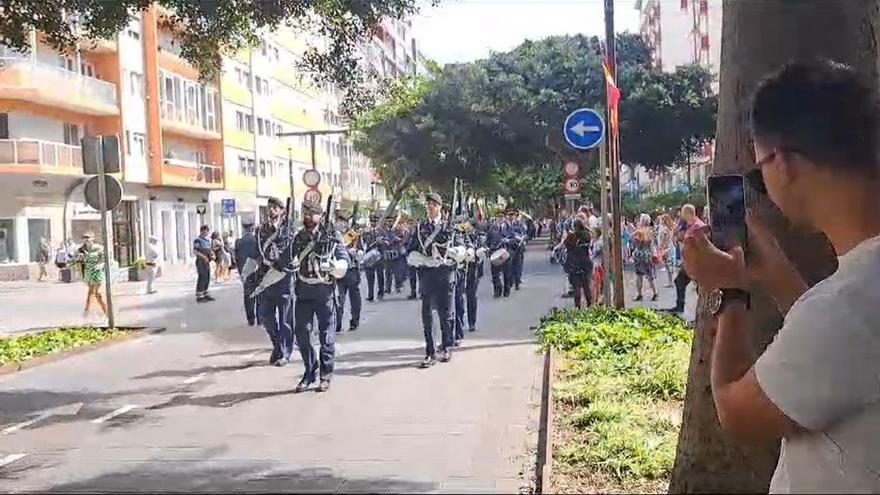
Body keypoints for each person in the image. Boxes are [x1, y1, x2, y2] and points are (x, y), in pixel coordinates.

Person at [682, 59, 880, 493]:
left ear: (785, 163)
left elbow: (737, 411)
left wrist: (729, 292)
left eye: (760, 170)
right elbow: (840, 351)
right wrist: (778, 275)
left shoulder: (844, 309)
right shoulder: (853, 300)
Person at [292, 200, 349, 393]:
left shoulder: (332, 236)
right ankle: (310, 370)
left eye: (312, 213)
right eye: (305, 213)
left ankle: (326, 374)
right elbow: (287, 259)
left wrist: (334, 266)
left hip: (324, 292)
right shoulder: (298, 237)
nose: (308, 216)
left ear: (321, 215)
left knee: (327, 336)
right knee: (302, 334)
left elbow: (344, 259)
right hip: (303, 292)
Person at [408, 192, 456, 367]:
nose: (430, 208)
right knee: (427, 316)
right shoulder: (420, 228)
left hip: (444, 274)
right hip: (427, 275)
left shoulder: (449, 227)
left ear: (440, 207)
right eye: (428, 205)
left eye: (434, 205)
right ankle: (430, 352)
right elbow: (411, 248)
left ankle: (446, 347)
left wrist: (454, 254)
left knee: (446, 315)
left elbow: (460, 246)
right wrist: (418, 258)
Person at [254, 197, 295, 365]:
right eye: (270, 208)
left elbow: (294, 253)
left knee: (285, 320)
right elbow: (255, 253)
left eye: (275, 208)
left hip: (284, 278)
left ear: (282, 211)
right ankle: (277, 346)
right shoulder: (260, 231)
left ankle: (285, 353)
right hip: (266, 279)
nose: (271, 211)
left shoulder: (289, 231)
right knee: (265, 316)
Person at [664, 204, 702, 314]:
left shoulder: (697, 226)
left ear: (687, 213)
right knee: (680, 281)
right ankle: (680, 306)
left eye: (682, 213)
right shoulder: (691, 225)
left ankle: (700, 309)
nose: (681, 215)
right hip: (689, 261)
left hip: (695, 261)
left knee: (700, 287)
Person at [335, 211, 363, 333]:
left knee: (354, 299)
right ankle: (337, 324)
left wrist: (355, 252)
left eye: (343, 221)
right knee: (338, 299)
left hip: (352, 271)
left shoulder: (353, 235)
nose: (341, 223)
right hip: (339, 271)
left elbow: (361, 250)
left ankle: (355, 321)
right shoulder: (334, 236)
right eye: (339, 220)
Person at [75, 232, 108, 318]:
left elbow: (105, 260)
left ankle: (91, 311)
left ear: (93, 238)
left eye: (88, 237)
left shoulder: (99, 248)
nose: (86, 239)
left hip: (97, 271)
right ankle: (100, 311)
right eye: (84, 237)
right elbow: (77, 261)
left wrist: (100, 266)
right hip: (88, 272)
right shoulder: (81, 249)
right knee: (91, 292)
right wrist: (79, 259)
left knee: (96, 292)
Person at [562, 218, 593, 308]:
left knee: (577, 287)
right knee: (586, 285)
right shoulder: (587, 235)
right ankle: (589, 304)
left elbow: (566, 244)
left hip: (574, 264)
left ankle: (578, 307)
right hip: (585, 263)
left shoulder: (572, 236)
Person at [234, 221, 259, 326]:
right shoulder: (256, 241)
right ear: (252, 229)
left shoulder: (239, 242)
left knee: (248, 295)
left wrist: (240, 271)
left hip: (244, 272)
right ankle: (260, 318)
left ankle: (250, 319)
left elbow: (236, 258)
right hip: (257, 271)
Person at [631, 213, 658, 302]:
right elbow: (652, 244)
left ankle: (639, 294)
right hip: (648, 254)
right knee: (650, 275)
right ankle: (655, 293)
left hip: (639, 254)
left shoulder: (638, 232)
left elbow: (633, 240)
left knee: (639, 275)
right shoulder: (651, 231)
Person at [486, 213, 512, 298]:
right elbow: (487, 240)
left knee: (507, 274)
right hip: (495, 253)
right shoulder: (492, 228)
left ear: (504, 218)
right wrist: (488, 248)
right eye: (499, 217)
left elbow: (514, 238)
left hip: (505, 253)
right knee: (495, 275)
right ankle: (497, 290)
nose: (500, 218)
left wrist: (508, 241)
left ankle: (507, 291)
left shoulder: (509, 227)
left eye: (502, 217)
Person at [362, 214, 386, 302]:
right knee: (370, 277)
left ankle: (381, 293)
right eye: (372, 221)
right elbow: (363, 243)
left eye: (375, 221)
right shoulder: (366, 231)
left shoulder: (382, 231)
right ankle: (370, 295)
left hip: (379, 256)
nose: (373, 223)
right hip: (369, 257)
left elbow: (386, 242)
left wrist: (381, 242)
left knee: (380, 276)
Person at [506, 208, 527, 290]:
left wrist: (523, 238)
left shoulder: (519, 224)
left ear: (515, 216)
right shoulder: (506, 225)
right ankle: (511, 280)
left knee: (518, 265)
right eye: (509, 215)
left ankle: (517, 281)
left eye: (512, 215)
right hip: (510, 247)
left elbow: (525, 234)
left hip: (518, 247)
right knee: (509, 265)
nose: (511, 217)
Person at [192, 225, 214, 302]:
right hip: (201, 261)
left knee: (207, 277)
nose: (206, 233)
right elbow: (195, 251)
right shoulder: (198, 240)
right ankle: (199, 296)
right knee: (202, 277)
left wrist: (212, 254)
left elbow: (209, 250)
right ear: (201, 231)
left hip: (207, 261)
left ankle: (205, 293)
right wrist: (203, 257)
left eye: (207, 231)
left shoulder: (207, 240)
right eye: (204, 231)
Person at [656, 213, 676, 287]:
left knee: (667, 265)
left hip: (666, 248)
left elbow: (664, 239)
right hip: (670, 247)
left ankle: (670, 282)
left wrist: (661, 247)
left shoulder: (664, 229)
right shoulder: (670, 227)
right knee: (670, 265)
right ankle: (671, 281)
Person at [589, 227, 604, 305]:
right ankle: (596, 298)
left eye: (593, 233)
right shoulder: (593, 242)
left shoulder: (599, 243)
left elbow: (595, 254)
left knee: (597, 283)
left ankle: (597, 298)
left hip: (597, 265)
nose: (591, 234)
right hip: (593, 264)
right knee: (595, 283)